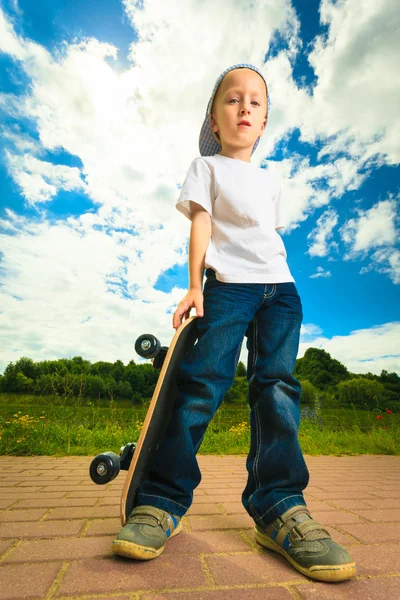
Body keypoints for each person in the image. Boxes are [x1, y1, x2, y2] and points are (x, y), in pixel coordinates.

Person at [112, 63, 356, 583]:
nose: (245, 107)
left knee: (276, 390)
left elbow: (268, 238)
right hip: (227, 288)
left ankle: (278, 506)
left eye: (255, 102)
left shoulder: (271, 182)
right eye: (232, 99)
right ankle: (161, 501)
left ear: (264, 122)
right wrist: (196, 285)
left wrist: (280, 289)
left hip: (281, 293)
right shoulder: (208, 167)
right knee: (202, 385)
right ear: (215, 119)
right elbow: (202, 222)